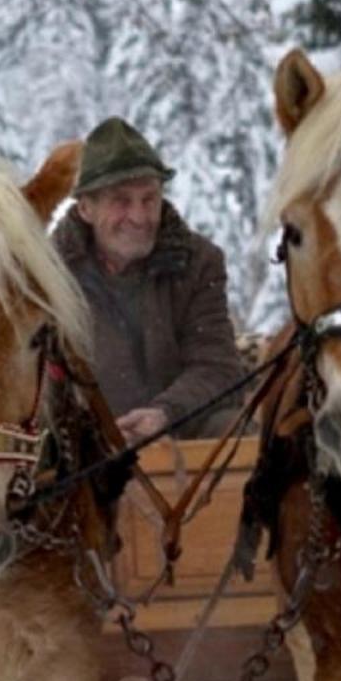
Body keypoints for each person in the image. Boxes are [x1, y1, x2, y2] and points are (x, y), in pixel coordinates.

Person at [54, 117, 246, 443]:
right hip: (84, 450)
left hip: (183, 434)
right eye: (121, 201)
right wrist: (100, 432)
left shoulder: (198, 263)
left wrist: (165, 414)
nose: (140, 217)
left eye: (149, 199)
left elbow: (217, 368)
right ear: (86, 209)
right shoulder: (49, 275)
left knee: (242, 434)